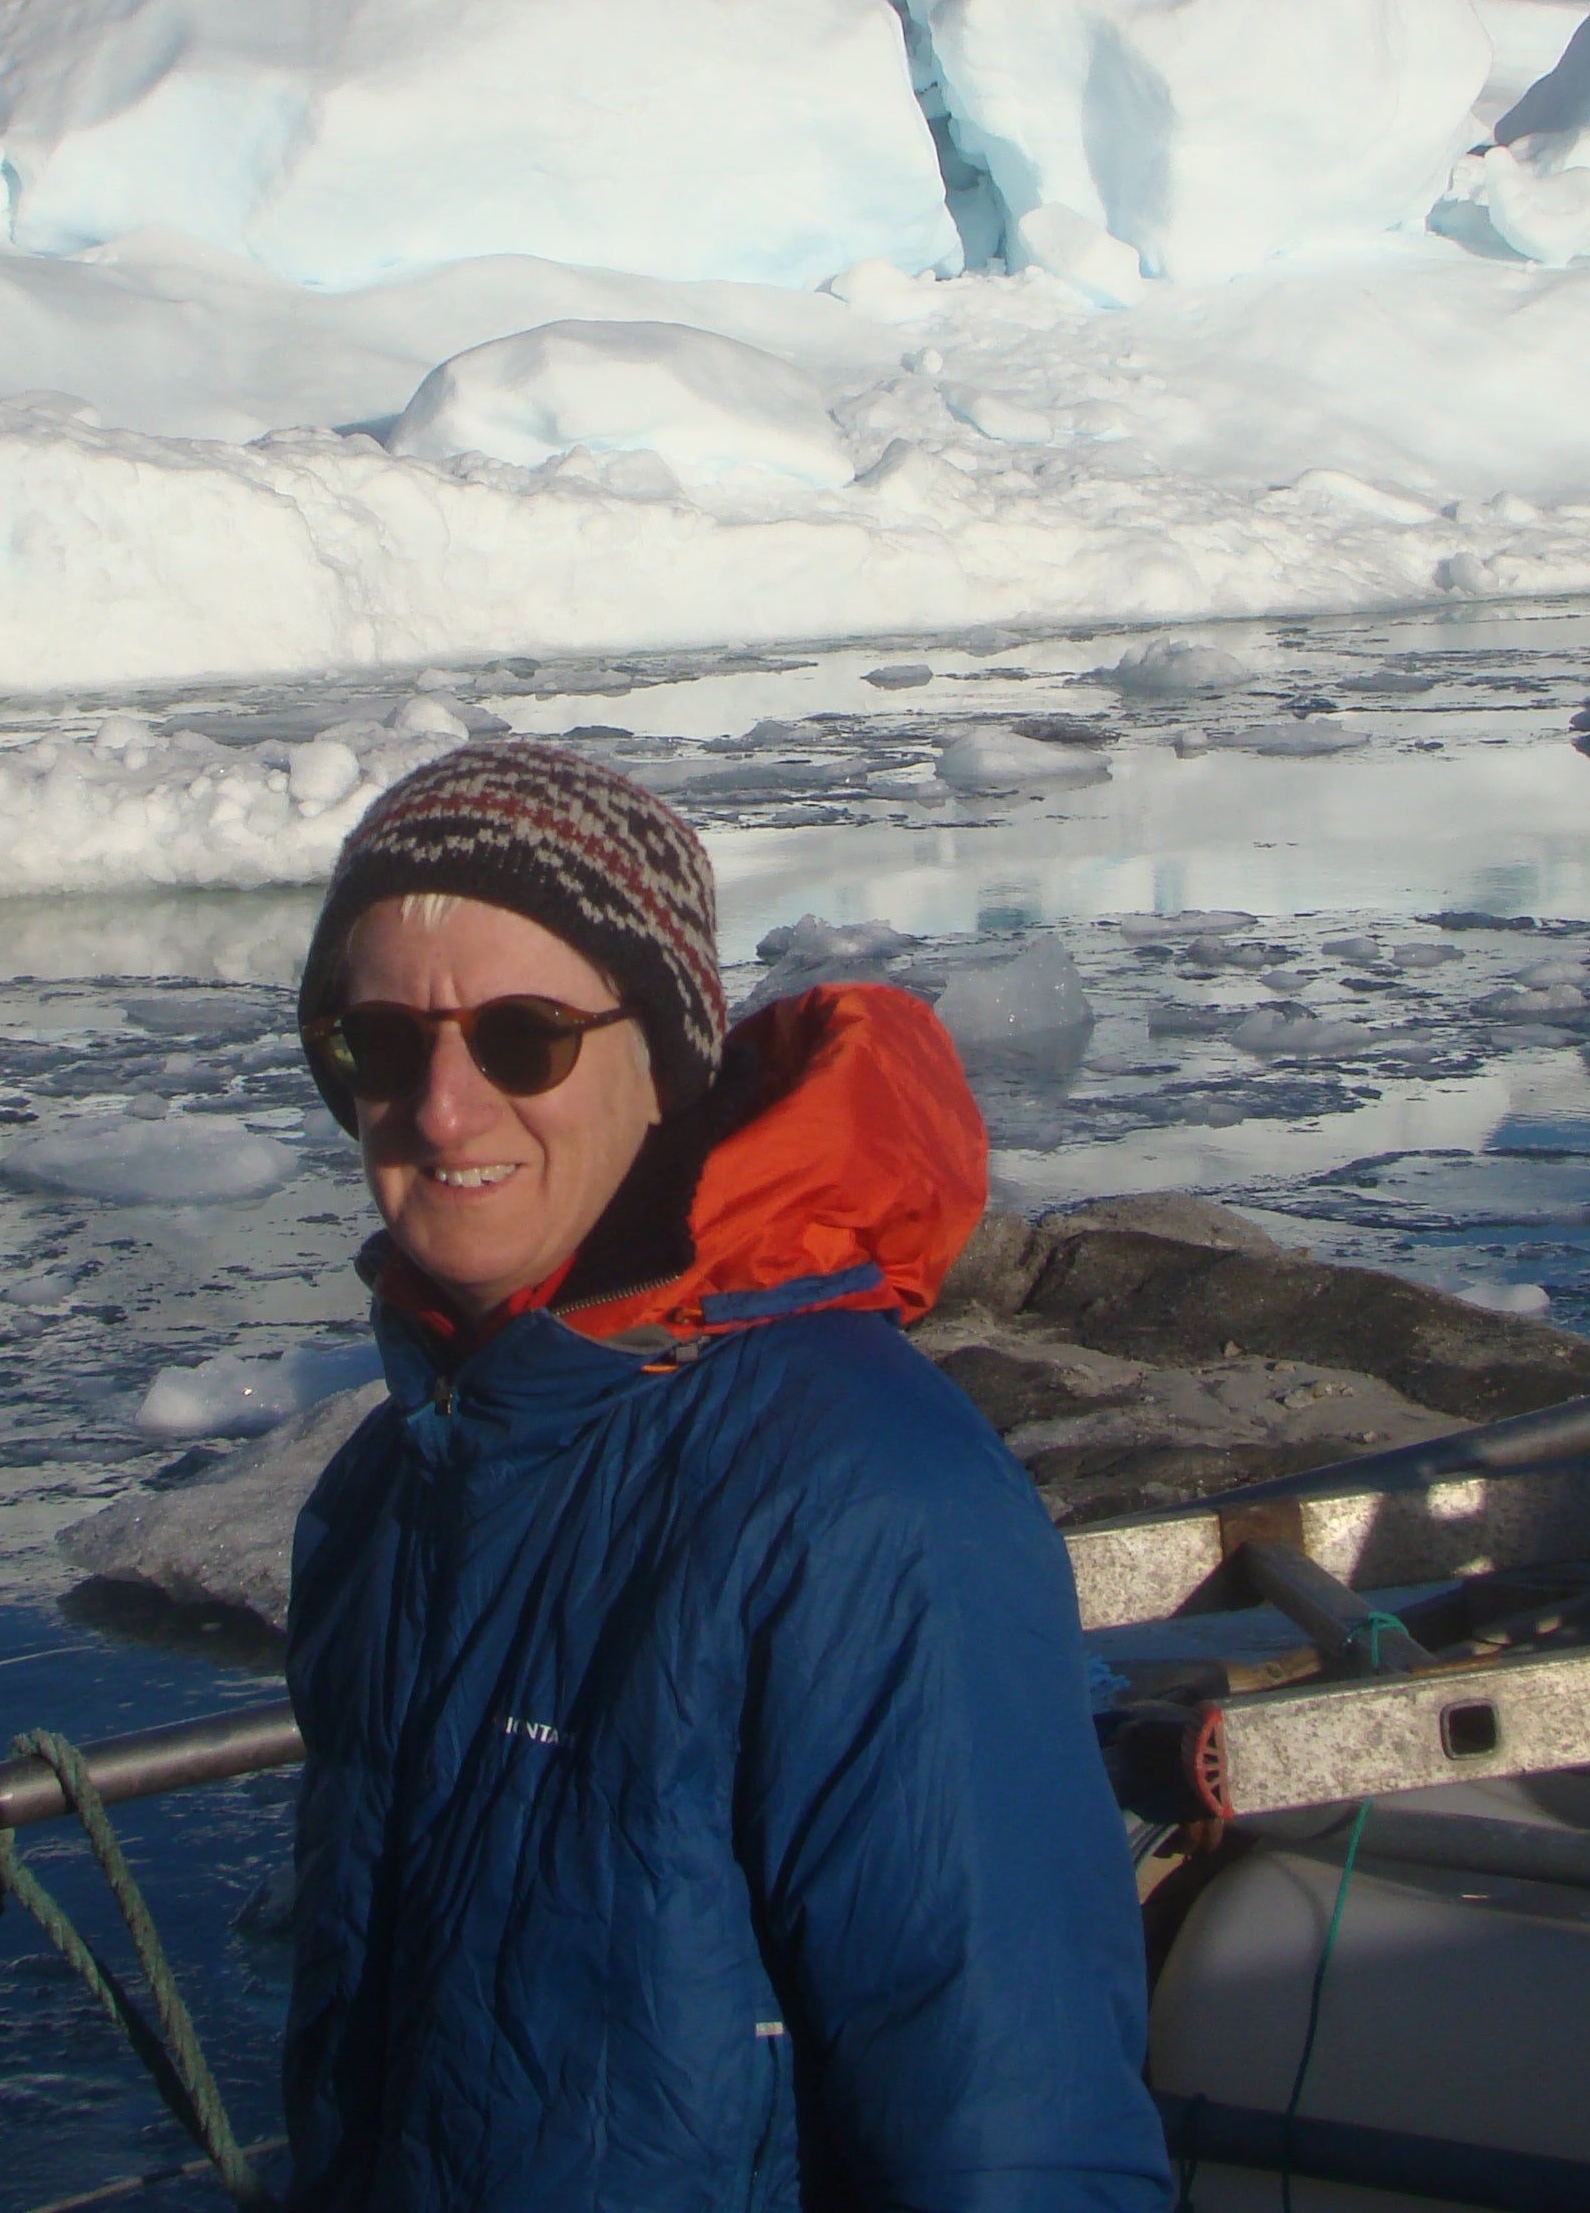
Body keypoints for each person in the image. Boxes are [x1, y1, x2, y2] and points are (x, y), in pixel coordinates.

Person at [281, 737, 1169, 2212]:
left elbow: (1016, 2146)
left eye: (524, 1039)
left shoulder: (865, 1505)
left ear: (665, 1062)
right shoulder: (390, 1493)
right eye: (380, 1043)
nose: (441, 1110)